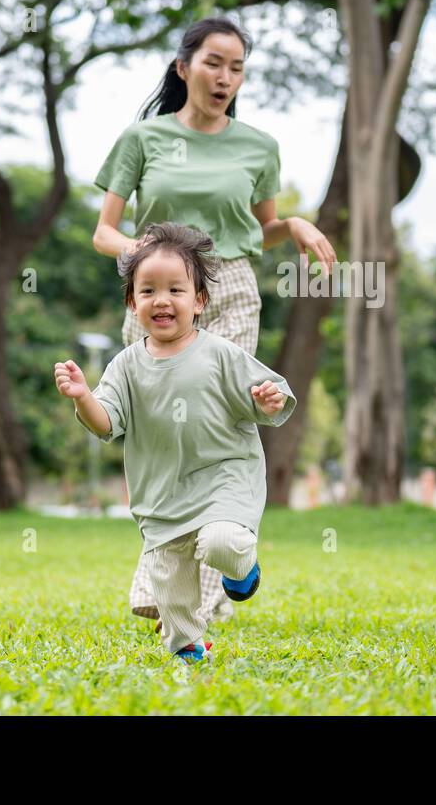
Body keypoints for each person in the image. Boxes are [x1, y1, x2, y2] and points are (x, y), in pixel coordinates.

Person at [91, 17, 336, 630]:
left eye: (237, 67)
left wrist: (297, 226)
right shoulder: (143, 139)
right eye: (213, 63)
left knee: (218, 418)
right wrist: (146, 264)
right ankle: (174, 562)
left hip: (227, 288)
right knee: (154, 425)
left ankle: (197, 592)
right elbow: (103, 231)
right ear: (184, 68)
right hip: (158, 288)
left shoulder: (257, 146)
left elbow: (262, 226)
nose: (225, 77)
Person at [55, 222, 297, 663]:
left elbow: (272, 398)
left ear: (199, 300)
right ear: (132, 302)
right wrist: (83, 397)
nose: (161, 300)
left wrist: (267, 399)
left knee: (222, 542)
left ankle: (243, 573)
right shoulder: (125, 366)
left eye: (176, 290)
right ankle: (189, 650)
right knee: (171, 591)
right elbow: (106, 423)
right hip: (162, 498)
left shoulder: (220, 353)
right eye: (147, 291)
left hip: (225, 479)